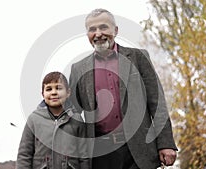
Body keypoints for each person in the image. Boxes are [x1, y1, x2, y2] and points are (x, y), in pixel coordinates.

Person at [69, 8, 178, 169]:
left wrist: (166, 143)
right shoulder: (78, 69)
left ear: (116, 30)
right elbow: (72, 111)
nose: (98, 33)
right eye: (92, 29)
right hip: (100, 154)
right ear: (87, 35)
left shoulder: (138, 57)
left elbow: (157, 103)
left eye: (104, 27)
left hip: (140, 149)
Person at [17, 71, 89, 169]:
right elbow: (24, 155)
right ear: (43, 94)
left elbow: (84, 157)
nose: (54, 92)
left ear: (68, 92)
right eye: (49, 89)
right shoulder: (33, 120)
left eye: (59, 88)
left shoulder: (76, 120)